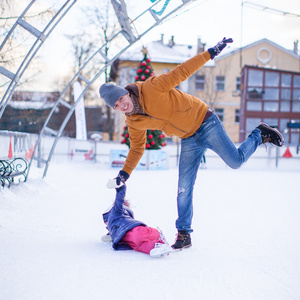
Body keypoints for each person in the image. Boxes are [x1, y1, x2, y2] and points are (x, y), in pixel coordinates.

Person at [99, 37, 284, 251]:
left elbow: (182, 71)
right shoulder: (134, 122)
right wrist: (125, 173)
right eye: (116, 106)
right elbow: (137, 148)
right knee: (183, 188)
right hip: (188, 138)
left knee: (235, 161)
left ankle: (259, 134)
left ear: (125, 92)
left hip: (206, 122)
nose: (122, 105)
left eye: (121, 99)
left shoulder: (151, 87)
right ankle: (184, 233)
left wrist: (210, 54)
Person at [102, 183, 173, 258]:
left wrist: (121, 188)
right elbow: (114, 231)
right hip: (133, 240)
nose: (105, 223)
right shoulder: (115, 226)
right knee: (139, 246)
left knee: (137, 237)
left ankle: (159, 236)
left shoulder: (116, 213)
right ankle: (158, 246)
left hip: (138, 231)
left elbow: (119, 201)